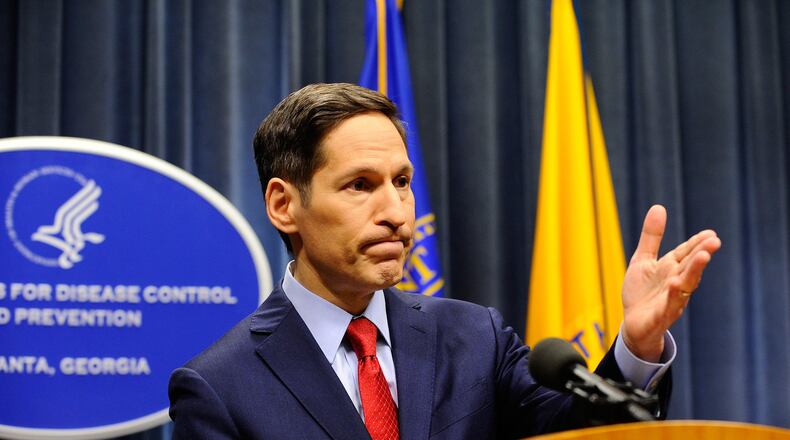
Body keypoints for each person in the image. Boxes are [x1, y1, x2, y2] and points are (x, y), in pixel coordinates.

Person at [168, 83, 721, 439]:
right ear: (284, 205)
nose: (395, 212)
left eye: (402, 182)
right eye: (360, 185)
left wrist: (637, 346)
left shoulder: (474, 336)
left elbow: (574, 432)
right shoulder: (219, 387)